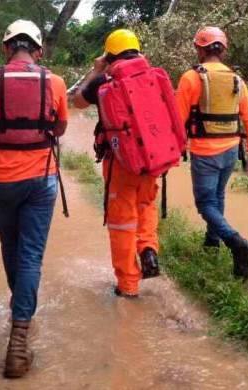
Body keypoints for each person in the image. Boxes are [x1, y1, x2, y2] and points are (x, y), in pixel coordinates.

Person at [0, 19, 69, 378]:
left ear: (7, 48)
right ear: (38, 51)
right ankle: (20, 333)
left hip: (1, 181)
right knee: (30, 256)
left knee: (11, 249)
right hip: (42, 180)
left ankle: (19, 312)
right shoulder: (54, 82)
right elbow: (59, 128)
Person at [74, 29, 183, 298]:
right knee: (145, 204)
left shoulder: (102, 81)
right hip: (152, 159)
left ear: (109, 55)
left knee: (122, 222)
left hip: (120, 163)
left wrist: (95, 69)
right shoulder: (153, 76)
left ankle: (128, 285)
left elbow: (76, 102)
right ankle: (148, 249)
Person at [175, 26, 248, 279]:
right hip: (231, 150)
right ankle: (212, 243)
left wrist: (177, 148)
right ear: (223, 50)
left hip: (205, 151)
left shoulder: (191, 78)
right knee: (218, 196)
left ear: (199, 48)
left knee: (205, 204)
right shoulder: (237, 79)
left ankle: (237, 244)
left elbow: (178, 120)